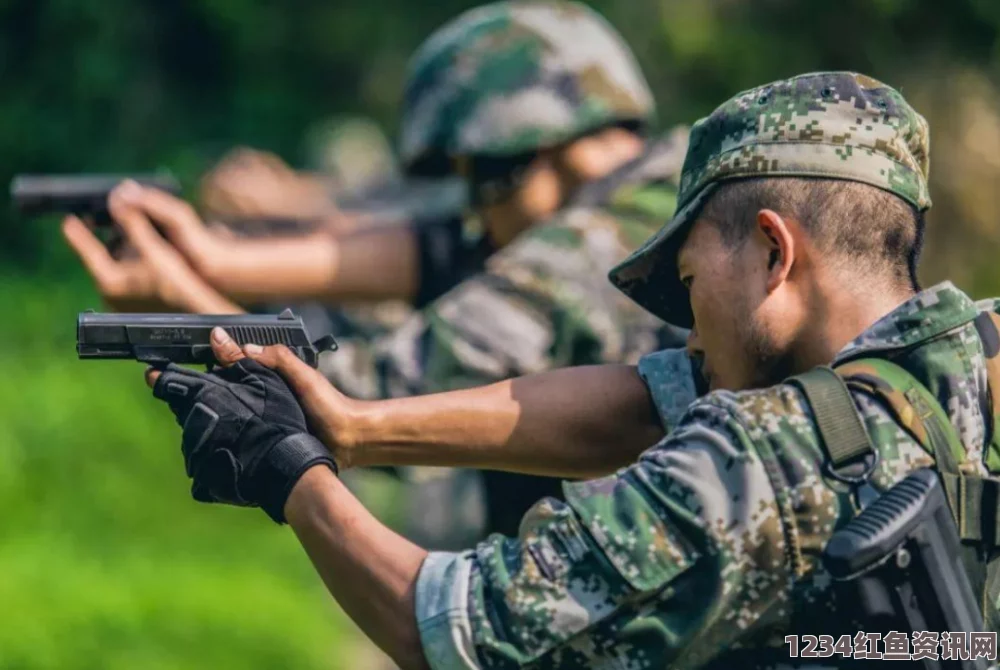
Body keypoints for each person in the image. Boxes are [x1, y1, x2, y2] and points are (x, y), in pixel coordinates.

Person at [143, 71, 1000, 668]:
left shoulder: (761, 463)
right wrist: (356, 426)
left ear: (774, 252)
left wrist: (288, 467)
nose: (689, 338)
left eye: (692, 285)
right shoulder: (971, 360)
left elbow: (455, 627)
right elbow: (641, 404)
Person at [75, 0, 691, 545]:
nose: (474, 216)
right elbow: (432, 249)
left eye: (476, 181)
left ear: (525, 148)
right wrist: (215, 258)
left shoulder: (588, 253)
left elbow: (368, 394)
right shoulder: (668, 190)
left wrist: (187, 297)